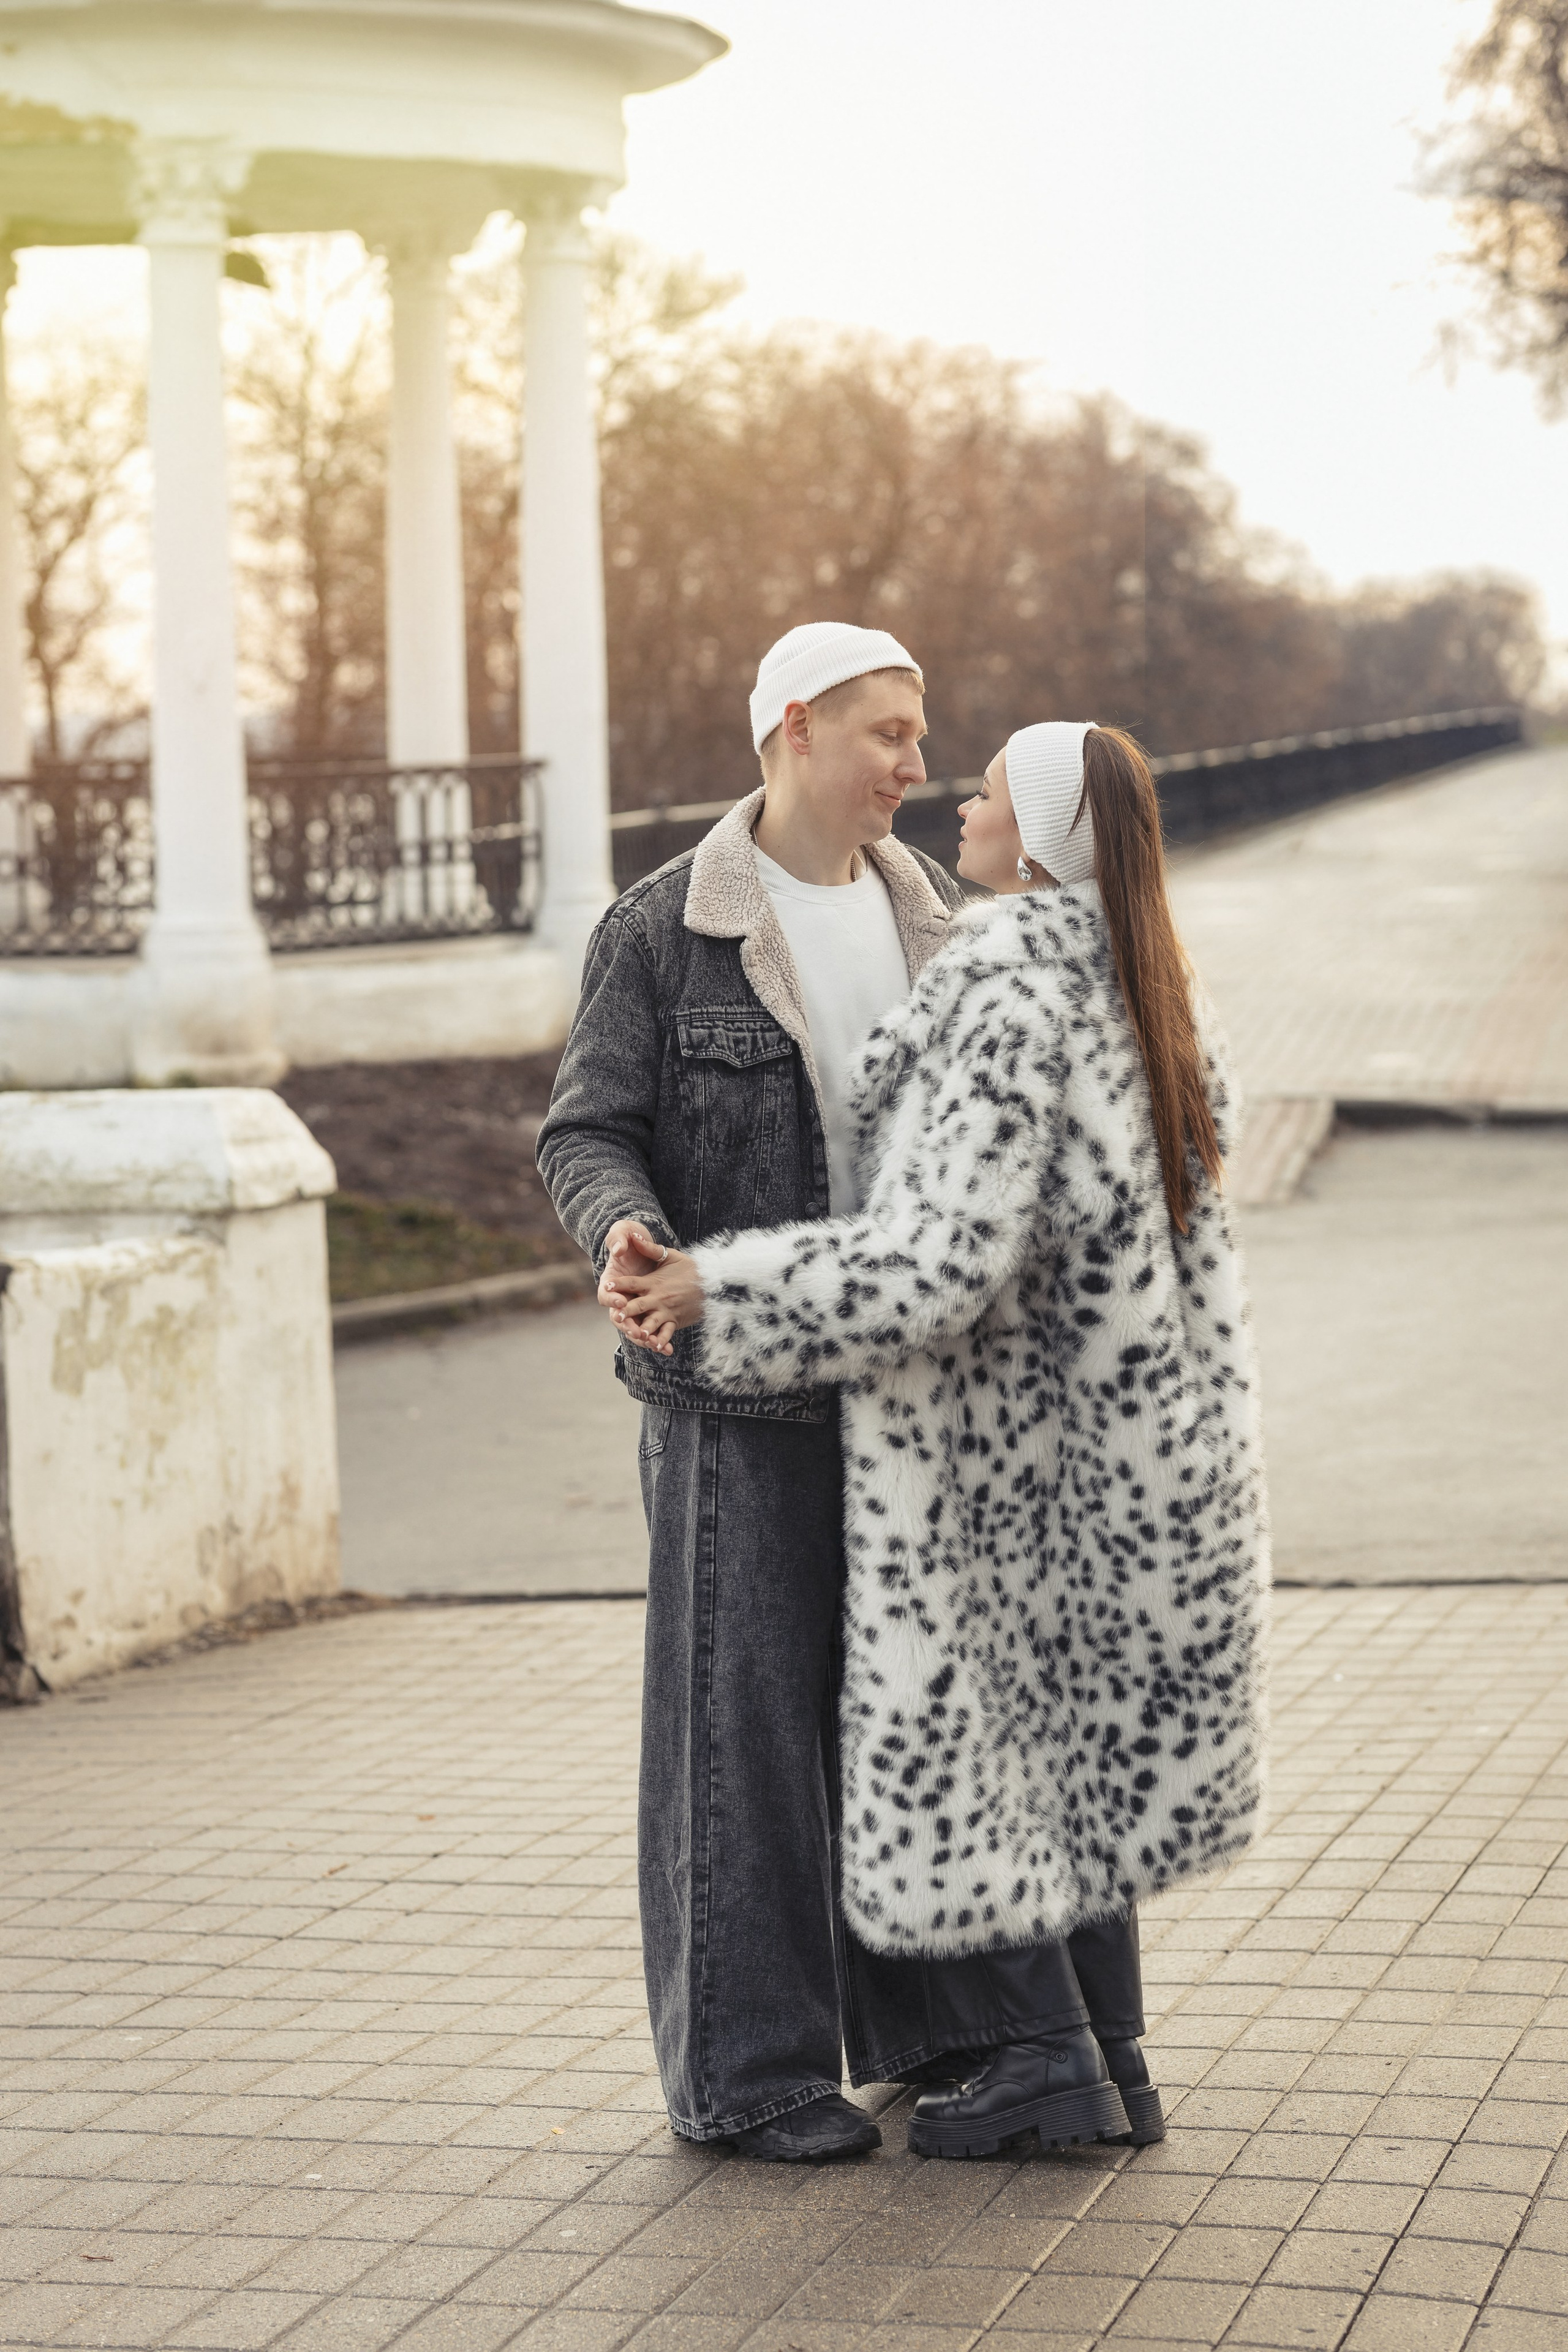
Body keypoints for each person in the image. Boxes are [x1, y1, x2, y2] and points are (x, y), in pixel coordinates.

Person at [606, 718, 1272, 2160]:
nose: (953, 796)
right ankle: (1112, 2064)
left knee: (968, 1742)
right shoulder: (1138, 981)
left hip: (1001, 1443)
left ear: (1032, 840)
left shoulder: (1002, 993)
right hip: (1126, 1450)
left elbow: (930, 1260)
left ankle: (1040, 2062)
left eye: (985, 788)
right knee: (1061, 1746)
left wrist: (720, 1281)